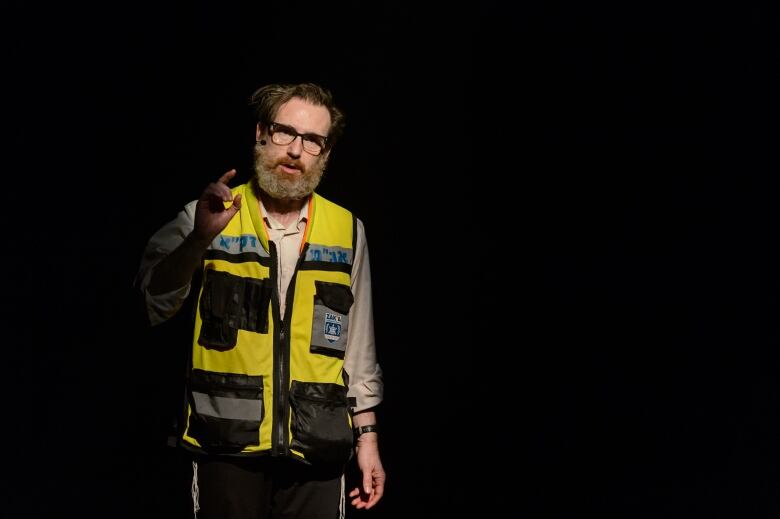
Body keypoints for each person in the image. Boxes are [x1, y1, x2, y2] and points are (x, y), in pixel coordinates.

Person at [135, 82, 385, 518]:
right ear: (261, 135)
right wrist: (198, 240)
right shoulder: (207, 214)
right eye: (285, 132)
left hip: (318, 446)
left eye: (312, 141)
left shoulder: (347, 230)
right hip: (227, 444)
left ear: (324, 154)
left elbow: (358, 348)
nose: (295, 150)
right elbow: (153, 302)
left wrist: (368, 440)